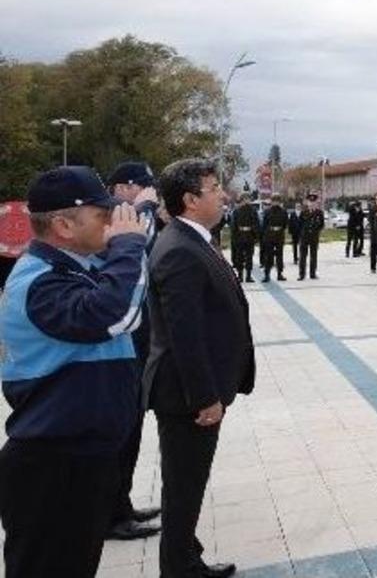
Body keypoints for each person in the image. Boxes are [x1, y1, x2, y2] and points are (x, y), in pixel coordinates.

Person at [0, 167, 147, 577]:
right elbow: (117, 314)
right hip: (53, 463)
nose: (112, 223)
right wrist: (130, 246)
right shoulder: (42, 282)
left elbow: (130, 292)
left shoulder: (73, 269)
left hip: (78, 456)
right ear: (63, 225)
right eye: (102, 215)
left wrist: (135, 234)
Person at [144, 158, 254, 578]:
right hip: (187, 395)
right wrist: (205, 397)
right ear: (190, 200)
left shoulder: (192, 239)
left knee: (185, 483)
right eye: (213, 188)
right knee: (184, 487)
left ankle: (185, 556)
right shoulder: (179, 250)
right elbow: (182, 336)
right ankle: (179, 570)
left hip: (192, 389)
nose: (223, 194)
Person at [105, 161, 165, 542]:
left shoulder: (138, 216)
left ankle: (121, 504)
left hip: (137, 343)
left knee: (131, 431)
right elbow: (134, 248)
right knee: (120, 434)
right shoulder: (119, 221)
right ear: (123, 189)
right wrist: (142, 209)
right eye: (142, 189)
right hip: (120, 346)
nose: (151, 195)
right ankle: (110, 513)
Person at [229, 193, 259, 283]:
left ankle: (248, 276)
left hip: (249, 236)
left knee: (249, 256)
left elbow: (256, 223)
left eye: (248, 199)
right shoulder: (237, 211)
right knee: (239, 257)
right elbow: (233, 225)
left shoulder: (253, 211)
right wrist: (234, 237)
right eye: (245, 199)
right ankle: (240, 275)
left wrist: (256, 235)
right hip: (240, 236)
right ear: (242, 200)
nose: (247, 201)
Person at [260, 195, 289, 282]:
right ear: (272, 202)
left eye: (277, 201)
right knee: (268, 256)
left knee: (279, 256)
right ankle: (267, 274)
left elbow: (285, 224)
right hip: (269, 236)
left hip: (279, 235)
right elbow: (264, 224)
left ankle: (280, 273)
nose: (276, 202)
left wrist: (279, 230)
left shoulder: (283, 212)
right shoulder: (267, 211)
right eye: (274, 201)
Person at [298, 193, 324, 280]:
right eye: (310, 202)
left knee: (313, 255)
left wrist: (316, 231)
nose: (312, 203)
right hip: (304, 237)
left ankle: (312, 273)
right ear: (307, 202)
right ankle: (302, 274)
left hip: (314, 236)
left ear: (316, 203)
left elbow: (321, 225)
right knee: (303, 256)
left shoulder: (319, 213)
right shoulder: (303, 212)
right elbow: (300, 224)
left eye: (314, 202)